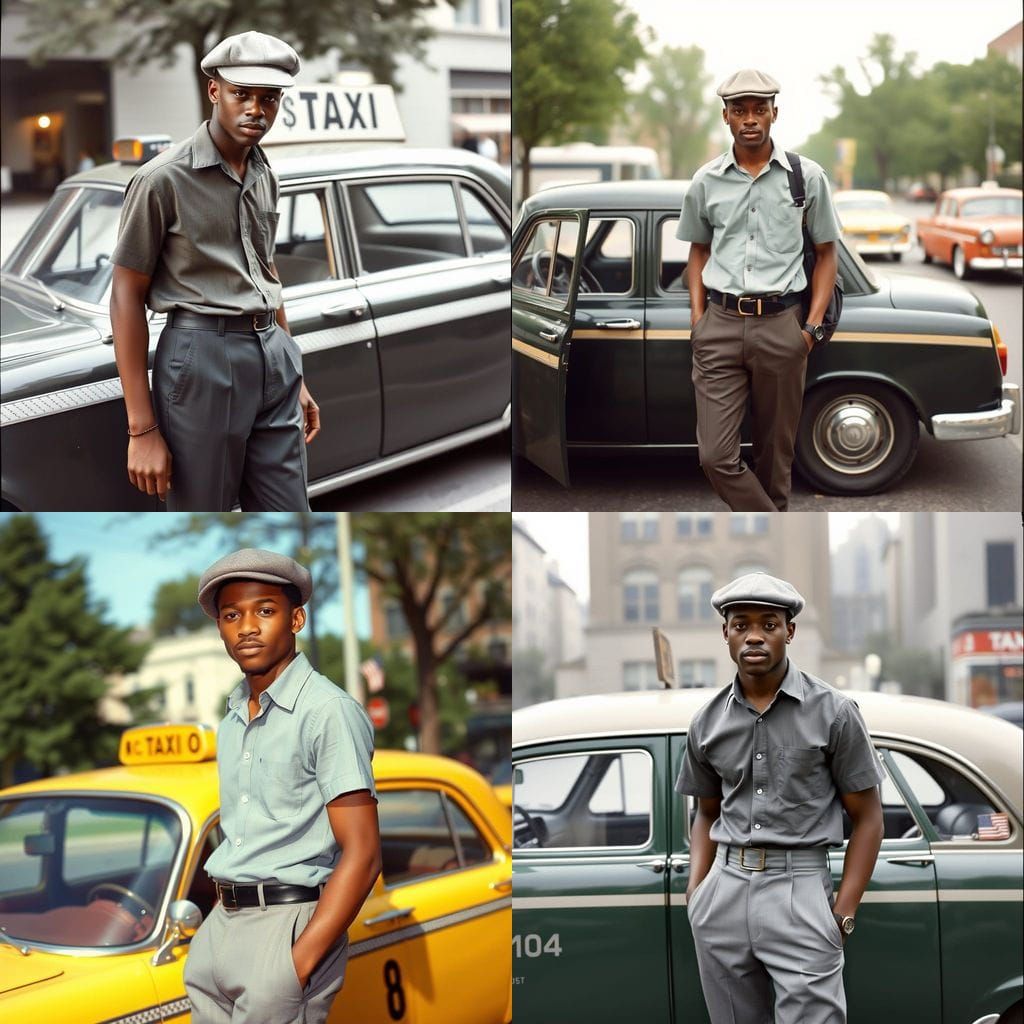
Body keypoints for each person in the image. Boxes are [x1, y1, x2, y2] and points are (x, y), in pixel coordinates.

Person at [110, 31, 321, 511]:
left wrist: (295, 373)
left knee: (291, 513)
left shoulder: (265, 173)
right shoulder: (162, 179)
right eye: (241, 95)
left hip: (273, 357)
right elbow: (125, 293)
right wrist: (142, 429)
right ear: (214, 92)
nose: (255, 110)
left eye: (268, 99)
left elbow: (265, 271)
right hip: (202, 357)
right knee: (201, 516)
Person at [184, 547, 382, 1024]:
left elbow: (364, 853)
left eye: (265, 611)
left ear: (296, 620)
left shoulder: (327, 711)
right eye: (231, 615)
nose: (246, 626)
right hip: (220, 929)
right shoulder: (231, 719)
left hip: (287, 928)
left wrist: (298, 962)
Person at [677, 571, 884, 1024]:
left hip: (801, 888)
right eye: (741, 624)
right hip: (723, 891)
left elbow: (868, 818)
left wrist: (842, 914)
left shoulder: (834, 712)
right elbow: (705, 813)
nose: (754, 636)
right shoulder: (705, 721)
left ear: (789, 631)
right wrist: (698, 891)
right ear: (725, 633)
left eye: (769, 624)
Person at [678, 70, 842, 512]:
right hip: (720, 326)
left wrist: (808, 331)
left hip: (782, 326)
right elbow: (698, 251)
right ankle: (774, 522)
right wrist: (698, 320)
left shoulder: (807, 177)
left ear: (774, 113)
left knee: (775, 458)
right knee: (715, 456)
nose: (750, 118)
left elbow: (827, 254)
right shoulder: (706, 181)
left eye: (758, 109)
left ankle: (773, 520)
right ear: (726, 117)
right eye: (739, 110)